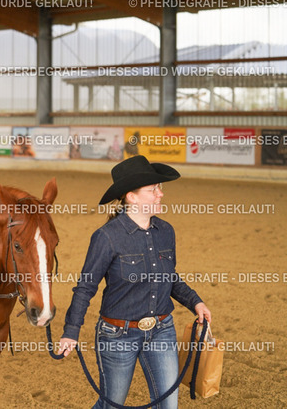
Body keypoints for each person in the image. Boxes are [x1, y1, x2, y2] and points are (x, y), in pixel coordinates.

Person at [57, 155, 212, 409]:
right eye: (153, 190)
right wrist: (71, 332)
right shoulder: (106, 237)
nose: (161, 194)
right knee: (112, 404)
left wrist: (196, 302)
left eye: (160, 188)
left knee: (168, 405)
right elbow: (85, 287)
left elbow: (169, 276)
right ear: (131, 197)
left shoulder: (166, 231)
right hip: (117, 335)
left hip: (162, 330)